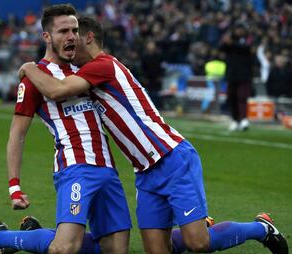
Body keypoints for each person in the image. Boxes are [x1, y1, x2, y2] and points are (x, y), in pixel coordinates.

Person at [19, 17, 289, 254]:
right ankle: (192, 224)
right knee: (158, 249)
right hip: (145, 172)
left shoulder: (103, 66)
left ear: (88, 38)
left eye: (74, 40)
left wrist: (30, 68)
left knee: (199, 244)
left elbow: (55, 90)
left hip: (172, 158)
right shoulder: (87, 73)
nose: (69, 46)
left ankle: (260, 228)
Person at [0, 5, 131, 254]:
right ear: (47, 37)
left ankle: (37, 236)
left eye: (74, 30)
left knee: (114, 250)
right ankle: (0, 238)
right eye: (63, 31)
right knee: (64, 249)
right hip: (75, 168)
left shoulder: (85, 69)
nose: (71, 36)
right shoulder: (35, 78)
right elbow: (17, 134)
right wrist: (14, 185)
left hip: (108, 169)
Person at [219, 22, 254, 131]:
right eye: (237, 29)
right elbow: (221, 48)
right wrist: (225, 41)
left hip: (244, 74)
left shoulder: (249, 39)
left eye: (240, 29)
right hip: (231, 74)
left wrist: (231, 43)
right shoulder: (231, 40)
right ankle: (235, 120)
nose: (238, 31)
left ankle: (244, 119)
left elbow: (247, 49)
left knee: (242, 97)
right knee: (232, 98)